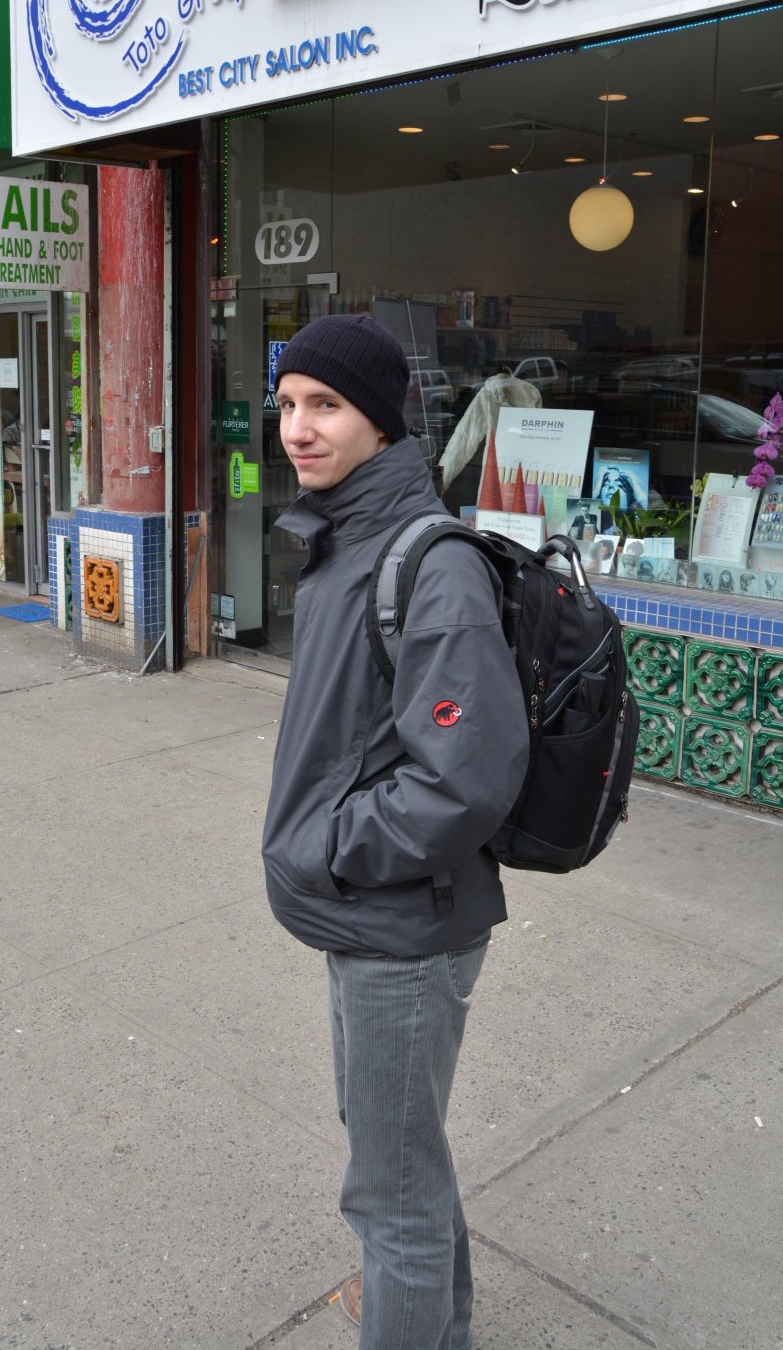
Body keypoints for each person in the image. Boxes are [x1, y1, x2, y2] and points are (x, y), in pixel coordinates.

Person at [261, 314, 529, 1350]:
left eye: (325, 405)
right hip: (369, 912)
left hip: (402, 925)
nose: (298, 428)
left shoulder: (429, 563)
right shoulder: (345, 538)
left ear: (381, 420)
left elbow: (464, 780)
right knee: (400, 1167)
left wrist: (330, 846)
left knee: (390, 1196)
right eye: (288, 404)